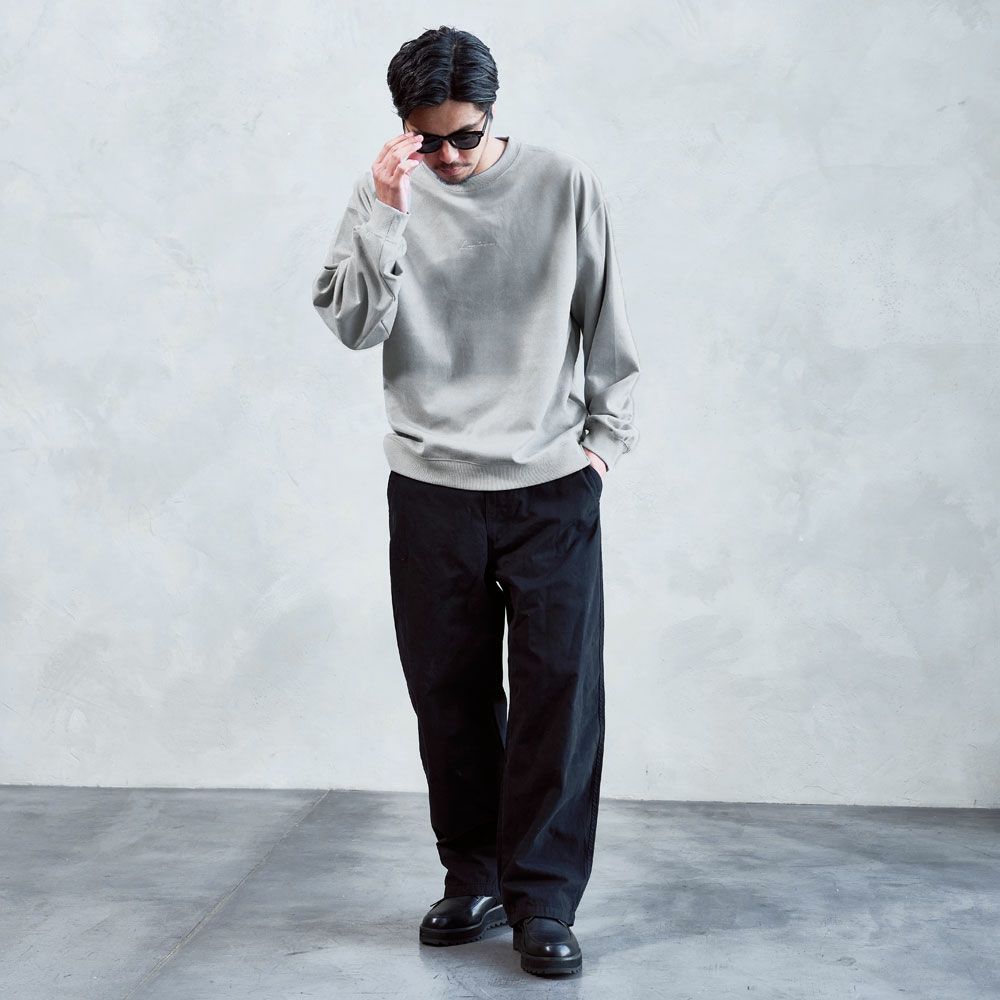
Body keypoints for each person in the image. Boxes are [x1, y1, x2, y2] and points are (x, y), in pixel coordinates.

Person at [312, 25, 640, 977]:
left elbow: (606, 321)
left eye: (466, 135)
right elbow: (354, 325)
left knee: (558, 699)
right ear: (403, 126)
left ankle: (545, 899)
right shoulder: (386, 191)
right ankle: (476, 876)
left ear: (494, 115)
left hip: (549, 488)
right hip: (431, 490)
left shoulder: (563, 184)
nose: (451, 157)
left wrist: (603, 448)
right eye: (430, 139)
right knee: (448, 697)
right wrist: (386, 213)